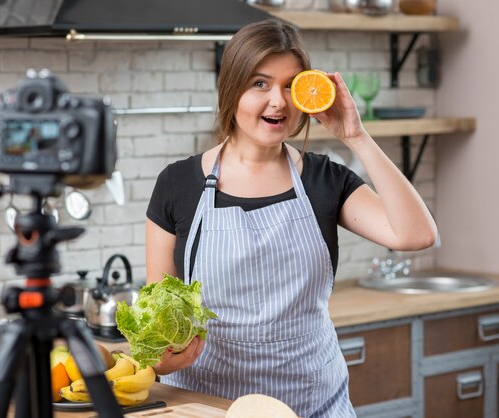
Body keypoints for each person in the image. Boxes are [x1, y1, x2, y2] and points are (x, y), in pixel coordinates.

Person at [144, 18, 437, 417]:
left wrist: (356, 137)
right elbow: (157, 321)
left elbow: (416, 234)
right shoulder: (177, 184)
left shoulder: (325, 179)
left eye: (289, 85)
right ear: (231, 89)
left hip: (312, 403)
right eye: (260, 84)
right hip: (209, 405)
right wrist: (162, 360)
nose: (278, 101)